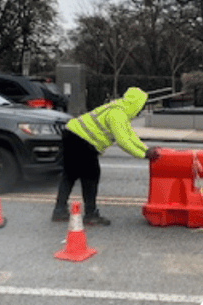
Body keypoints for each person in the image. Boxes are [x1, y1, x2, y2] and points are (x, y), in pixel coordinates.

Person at [51, 87, 162, 225]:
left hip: (72, 134)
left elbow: (130, 136)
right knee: (91, 176)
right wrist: (143, 155)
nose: (141, 110)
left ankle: (59, 211)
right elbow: (123, 141)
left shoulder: (119, 109)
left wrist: (146, 149)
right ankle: (90, 215)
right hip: (82, 140)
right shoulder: (118, 114)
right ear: (136, 104)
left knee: (70, 174)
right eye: (141, 106)